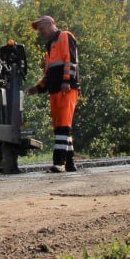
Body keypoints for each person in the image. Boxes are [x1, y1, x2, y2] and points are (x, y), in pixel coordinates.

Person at [29, 14, 79, 173]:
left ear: (51, 24)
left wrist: (66, 81)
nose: (41, 32)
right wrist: (38, 87)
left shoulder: (65, 36)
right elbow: (49, 72)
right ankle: (70, 164)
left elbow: (70, 60)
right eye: (39, 30)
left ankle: (59, 162)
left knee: (63, 126)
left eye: (42, 28)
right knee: (61, 127)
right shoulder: (50, 46)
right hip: (55, 90)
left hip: (66, 89)